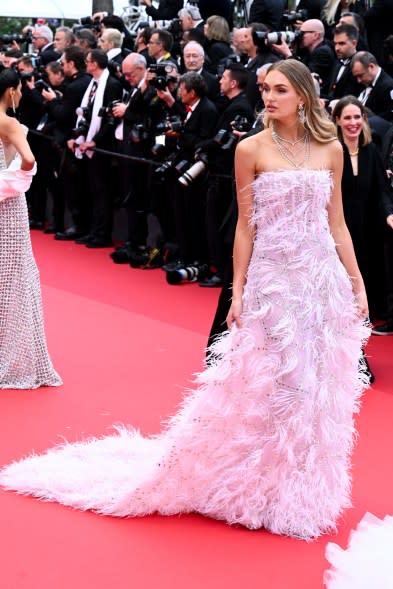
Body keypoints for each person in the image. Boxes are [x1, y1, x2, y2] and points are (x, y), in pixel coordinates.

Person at [0, 61, 370, 540]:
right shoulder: (249, 148)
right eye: (265, 89)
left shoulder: (331, 149)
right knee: (277, 383)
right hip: (273, 282)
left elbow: (336, 223)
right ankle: (256, 482)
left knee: (315, 388)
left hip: (319, 280)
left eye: (280, 90)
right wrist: (238, 291)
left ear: (303, 95)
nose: (270, 97)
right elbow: (245, 224)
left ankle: (299, 488)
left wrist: (356, 281)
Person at [0, 68, 62, 389]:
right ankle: (11, 359)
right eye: (20, 89)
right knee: (13, 280)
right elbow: (28, 159)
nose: (22, 94)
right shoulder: (9, 123)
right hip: (8, 211)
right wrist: (9, 181)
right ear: (10, 91)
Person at [332, 96, 393, 321]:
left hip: (370, 224)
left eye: (357, 117)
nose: (353, 122)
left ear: (364, 119)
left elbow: (382, 189)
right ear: (337, 120)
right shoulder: (332, 151)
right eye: (347, 117)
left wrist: (389, 213)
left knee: (372, 267)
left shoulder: (371, 150)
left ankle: (371, 309)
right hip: (341, 225)